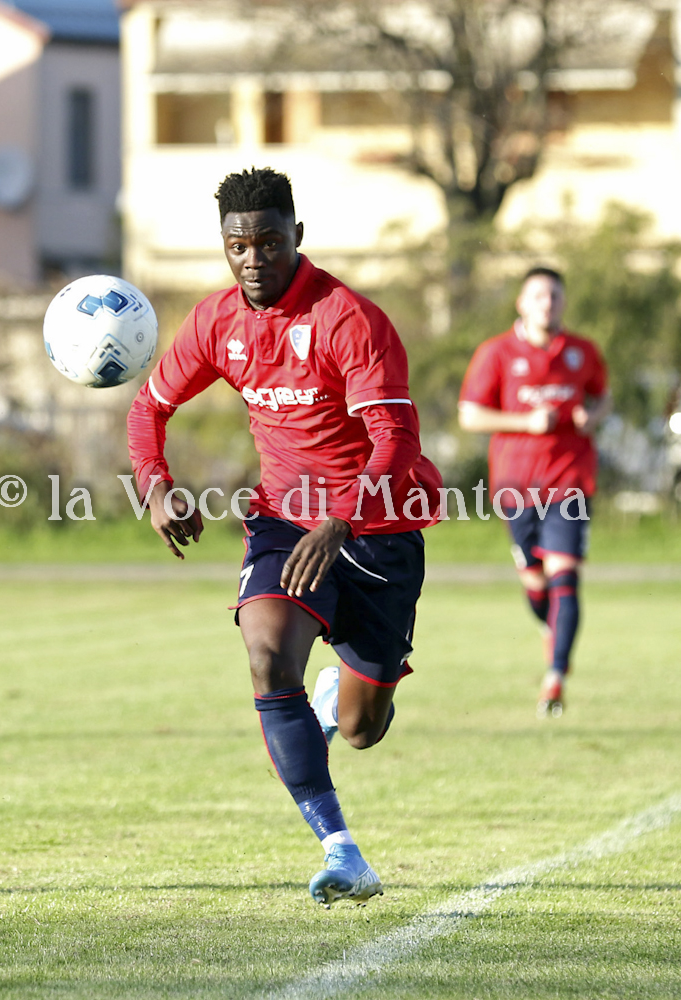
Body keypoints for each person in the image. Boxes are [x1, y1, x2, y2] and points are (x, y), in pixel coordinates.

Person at [127, 167, 441, 905]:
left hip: (377, 529)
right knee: (267, 657)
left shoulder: (347, 319)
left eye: (269, 241)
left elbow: (395, 439)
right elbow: (149, 409)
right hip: (284, 521)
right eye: (238, 245)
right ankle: (342, 852)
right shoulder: (216, 322)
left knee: (362, 729)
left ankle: (335, 705)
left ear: (297, 235)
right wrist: (155, 485)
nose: (253, 258)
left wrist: (342, 519)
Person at [458, 267, 610, 717]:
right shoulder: (496, 352)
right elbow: (470, 415)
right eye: (539, 295)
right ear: (521, 304)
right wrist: (526, 422)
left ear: (564, 302)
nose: (548, 303)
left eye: (555, 295)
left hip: (570, 481)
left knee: (565, 576)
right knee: (536, 584)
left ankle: (555, 677)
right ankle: (552, 630)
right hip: (516, 486)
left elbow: (603, 396)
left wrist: (593, 416)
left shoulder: (582, 351)